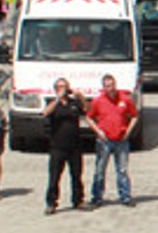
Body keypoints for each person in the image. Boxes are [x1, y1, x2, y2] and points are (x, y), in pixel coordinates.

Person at [86, 73, 138, 208]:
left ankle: (125, 196)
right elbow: (89, 118)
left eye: (112, 85)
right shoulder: (98, 101)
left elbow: (134, 115)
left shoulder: (125, 99)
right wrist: (98, 131)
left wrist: (128, 131)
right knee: (100, 170)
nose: (111, 88)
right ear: (103, 87)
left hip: (121, 140)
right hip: (105, 141)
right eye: (108, 86)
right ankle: (97, 197)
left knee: (122, 169)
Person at [43, 77, 86, 214]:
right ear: (56, 89)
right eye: (60, 87)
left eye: (65, 86)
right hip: (57, 146)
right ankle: (51, 203)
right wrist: (57, 99)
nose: (63, 89)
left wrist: (81, 97)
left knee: (77, 175)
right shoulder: (53, 103)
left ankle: (78, 200)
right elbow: (45, 113)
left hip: (75, 146)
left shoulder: (74, 103)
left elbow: (87, 110)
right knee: (55, 176)